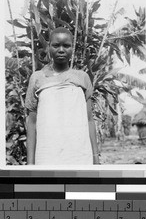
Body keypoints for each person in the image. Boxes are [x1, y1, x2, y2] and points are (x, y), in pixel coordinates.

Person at [25, 27, 99, 165]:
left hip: (79, 154)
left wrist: (95, 157)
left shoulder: (82, 78)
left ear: (73, 48)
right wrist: (30, 164)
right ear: (48, 47)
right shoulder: (37, 78)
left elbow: (89, 120)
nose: (61, 50)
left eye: (66, 45)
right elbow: (32, 123)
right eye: (56, 45)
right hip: (47, 154)